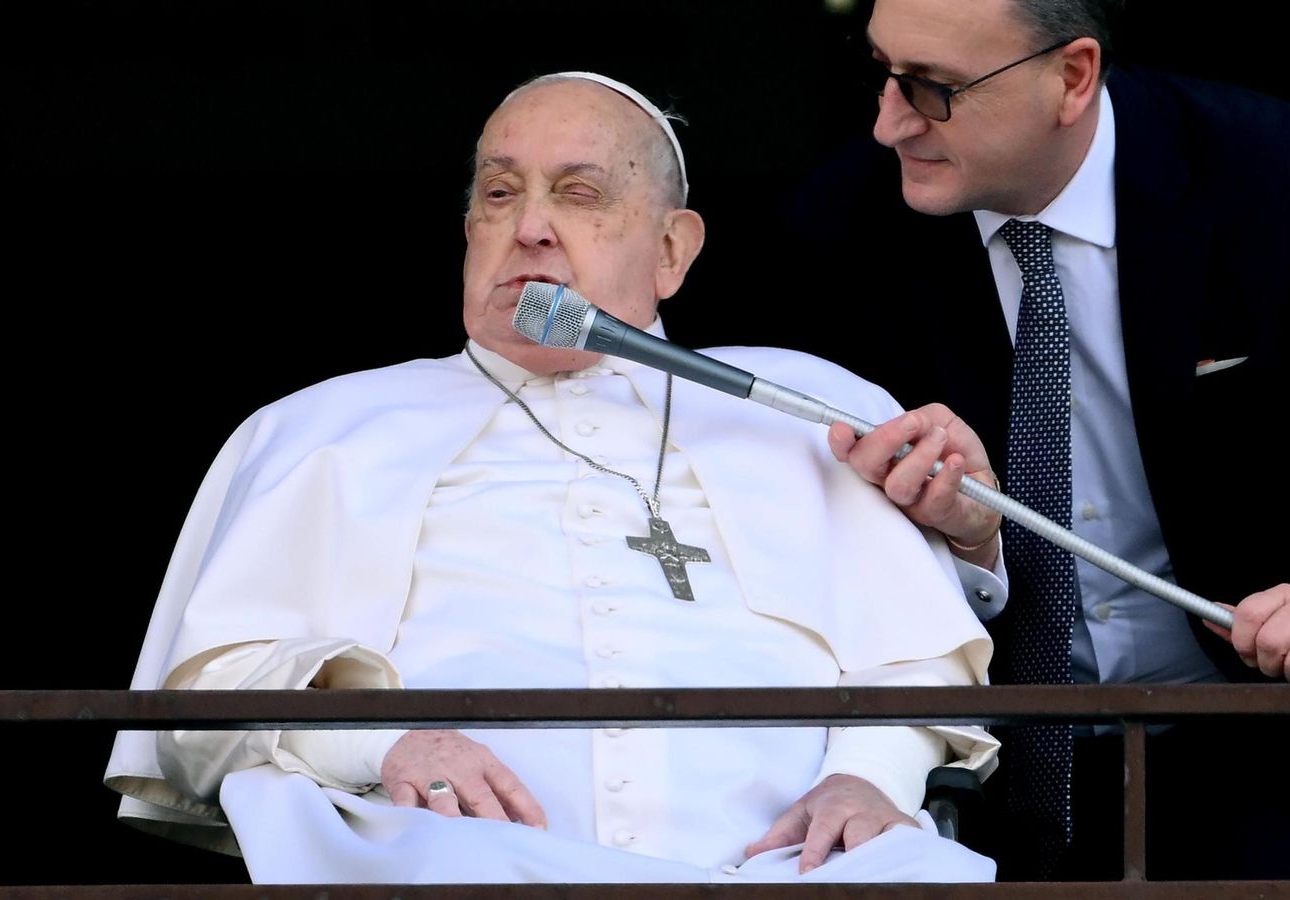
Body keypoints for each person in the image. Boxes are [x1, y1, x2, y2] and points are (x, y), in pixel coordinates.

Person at [103, 71, 1006, 885]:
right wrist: (383, 742)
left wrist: (871, 777)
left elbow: (916, 654)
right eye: (500, 195)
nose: (530, 226)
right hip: (444, 867)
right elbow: (203, 702)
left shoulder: (809, 405)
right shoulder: (323, 428)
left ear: (672, 252)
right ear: (469, 232)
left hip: (801, 874)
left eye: (580, 195)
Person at [791, 0, 1290, 882]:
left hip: (1276, 742)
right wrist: (965, 543)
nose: (889, 120)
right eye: (881, 73)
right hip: (985, 768)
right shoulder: (840, 222)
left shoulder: (1274, 174)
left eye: (933, 89)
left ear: (1072, 77)